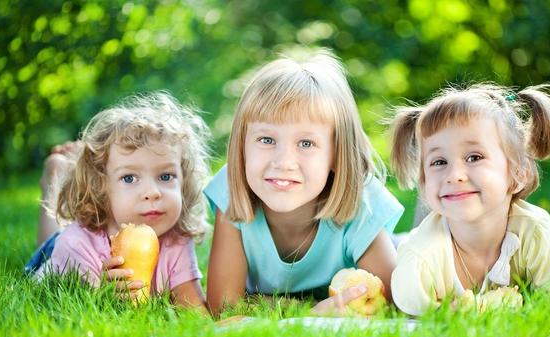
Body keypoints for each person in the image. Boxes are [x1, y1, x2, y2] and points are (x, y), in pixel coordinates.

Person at [204, 50, 404, 316]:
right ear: (242, 146)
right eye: (266, 140)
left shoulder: (361, 202)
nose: (284, 161)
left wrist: (262, 304)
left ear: (336, 154)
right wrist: (311, 310)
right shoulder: (231, 191)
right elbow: (224, 306)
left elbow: (393, 303)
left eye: (306, 143)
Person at [389, 84, 550, 316]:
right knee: (396, 244)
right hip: (403, 245)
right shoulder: (420, 257)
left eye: (474, 157)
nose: (454, 175)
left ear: (519, 173)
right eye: (439, 162)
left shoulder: (535, 233)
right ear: (424, 182)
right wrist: (446, 313)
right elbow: (410, 317)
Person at [26, 92, 210, 315]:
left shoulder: (176, 239)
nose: (152, 193)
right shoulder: (75, 244)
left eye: (165, 176)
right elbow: (78, 312)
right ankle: (54, 175)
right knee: (49, 239)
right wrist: (105, 293)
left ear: (184, 181)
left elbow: (194, 309)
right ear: (101, 186)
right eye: (129, 178)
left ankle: (63, 170)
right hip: (58, 252)